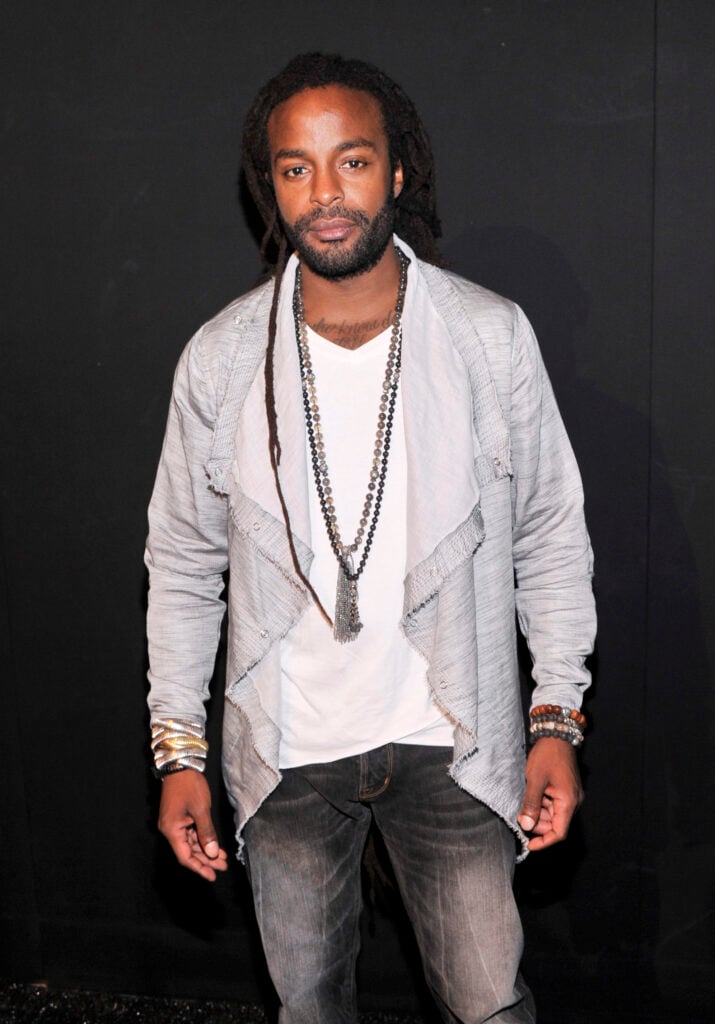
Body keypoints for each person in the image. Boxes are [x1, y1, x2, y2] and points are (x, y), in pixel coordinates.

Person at [146, 52, 596, 1024]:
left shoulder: (484, 336)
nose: (324, 193)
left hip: (452, 741)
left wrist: (557, 715)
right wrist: (177, 750)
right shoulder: (224, 359)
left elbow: (550, 531)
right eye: (295, 168)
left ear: (397, 172)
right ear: (269, 185)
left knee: (489, 1005)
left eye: (350, 161)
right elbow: (184, 562)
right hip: (287, 751)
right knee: (308, 1008)